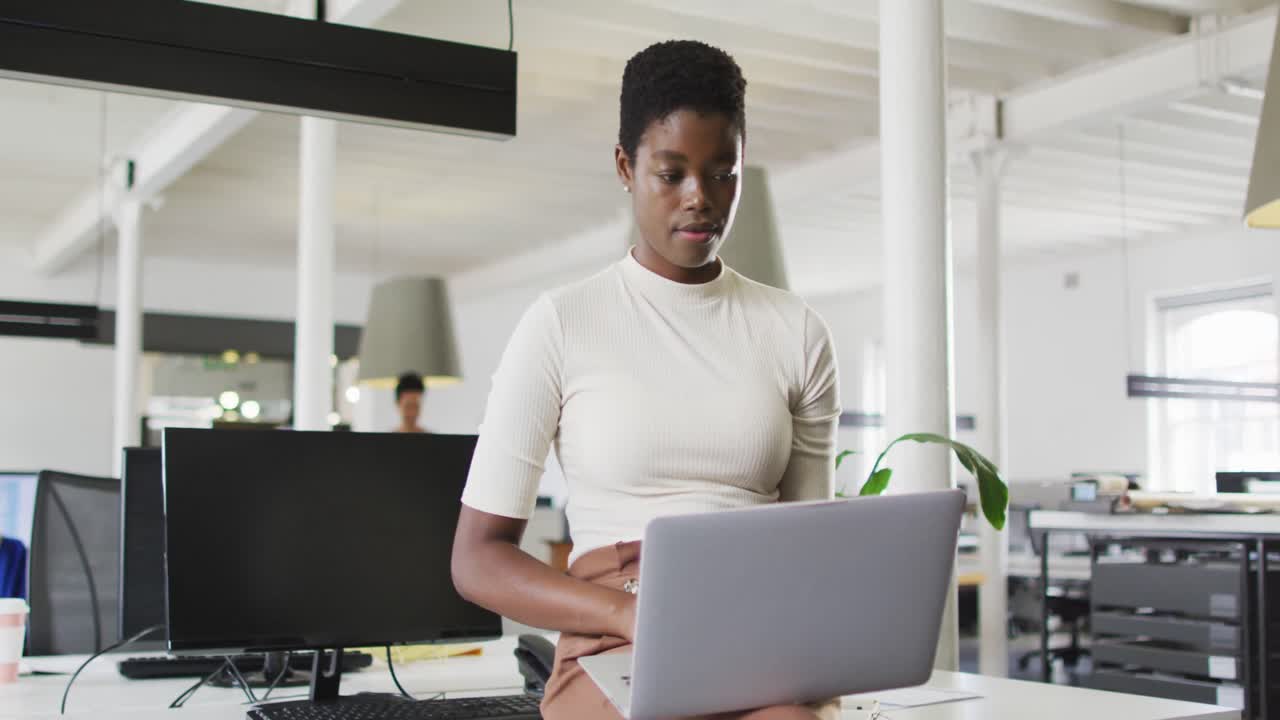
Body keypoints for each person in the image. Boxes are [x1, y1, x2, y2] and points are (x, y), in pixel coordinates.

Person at [452, 40, 840, 720]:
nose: (701, 199)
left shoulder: (795, 331)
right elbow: (478, 559)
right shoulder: (561, 324)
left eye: (724, 173)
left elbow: (809, 546)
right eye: (673, 174)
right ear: (627, 169)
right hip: (615, 628)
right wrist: (631, 616)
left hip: (754, 630)